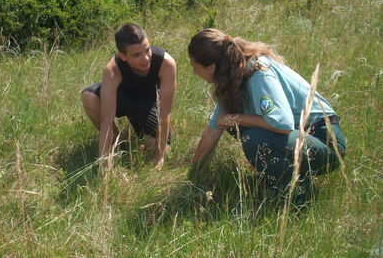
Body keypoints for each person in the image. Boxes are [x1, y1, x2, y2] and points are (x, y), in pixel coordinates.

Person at [187, 28, 346, 200]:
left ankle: (297, 196)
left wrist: (236, 118)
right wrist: (192, 174)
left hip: (325, 142)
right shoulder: (231, 75)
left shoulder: (259, 71)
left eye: (194, 66)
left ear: (211, 67)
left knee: (255, 137)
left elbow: (282, 124)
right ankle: (277, 180)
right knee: (234, 125)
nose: (194, 72)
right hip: (300, 137)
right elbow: (214, 128)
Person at [81, 23, 176, 169]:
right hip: (123, 99)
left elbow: (164, 113)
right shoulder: (113, 69)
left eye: (147, 50)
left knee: (161, 149)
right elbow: (106, 119)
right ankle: (117, 142)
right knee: (89, 96)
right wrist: (105, 166)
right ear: (123, 56)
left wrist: (159, 157)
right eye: (136, 55)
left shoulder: (166, 63)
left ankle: (143, 139)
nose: (145, 58)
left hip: (148, 105)